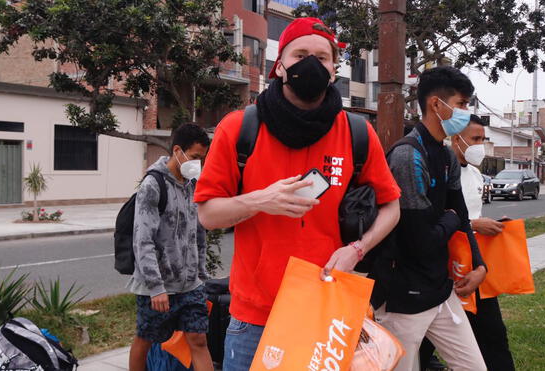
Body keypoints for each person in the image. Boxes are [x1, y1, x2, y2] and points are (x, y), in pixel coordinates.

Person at [194, 17, 401, 371]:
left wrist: (357, 249)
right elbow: (208, 215)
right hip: (254, 319)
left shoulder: (356, 132)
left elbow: (392, 207)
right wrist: (261, 200)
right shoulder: (240, 128)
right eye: (300, 53)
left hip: (326, 311)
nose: (311, 63)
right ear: (280, 66)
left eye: (322, 58)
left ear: (334, 70)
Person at [370, 66, 487, 371]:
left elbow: (460, 215)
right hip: (402, 298)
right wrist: (449, 218)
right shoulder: (409, 156)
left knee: (474, 366)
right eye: (461, 104)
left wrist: (480, 264)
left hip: (440, 290)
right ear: (437, 104)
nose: (466, 111)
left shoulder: (446, 154)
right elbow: (419, 241)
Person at [128, 123, 214, 371]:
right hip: (158, 286)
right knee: (145, 340)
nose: (198, 163)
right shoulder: (152, 185)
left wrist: (201, 275)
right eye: (195, 157)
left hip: (190, 285)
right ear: (178, 151)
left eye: (202, 159)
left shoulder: (192, 185)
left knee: (199, 340)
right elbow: (142, 239)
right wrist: (155, 287)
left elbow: (199, 233)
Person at [450, 114, 516, 370]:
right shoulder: (443, 171)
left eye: (483, 138)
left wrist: (495, 225)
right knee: (428, 339)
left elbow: (472, 215)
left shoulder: (476, 175)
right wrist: (474, 225)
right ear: (457, 139)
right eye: (475, 139)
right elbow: (436, 217)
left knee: (494, 335)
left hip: (477, 268)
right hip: (449, 269)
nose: (480, 144)